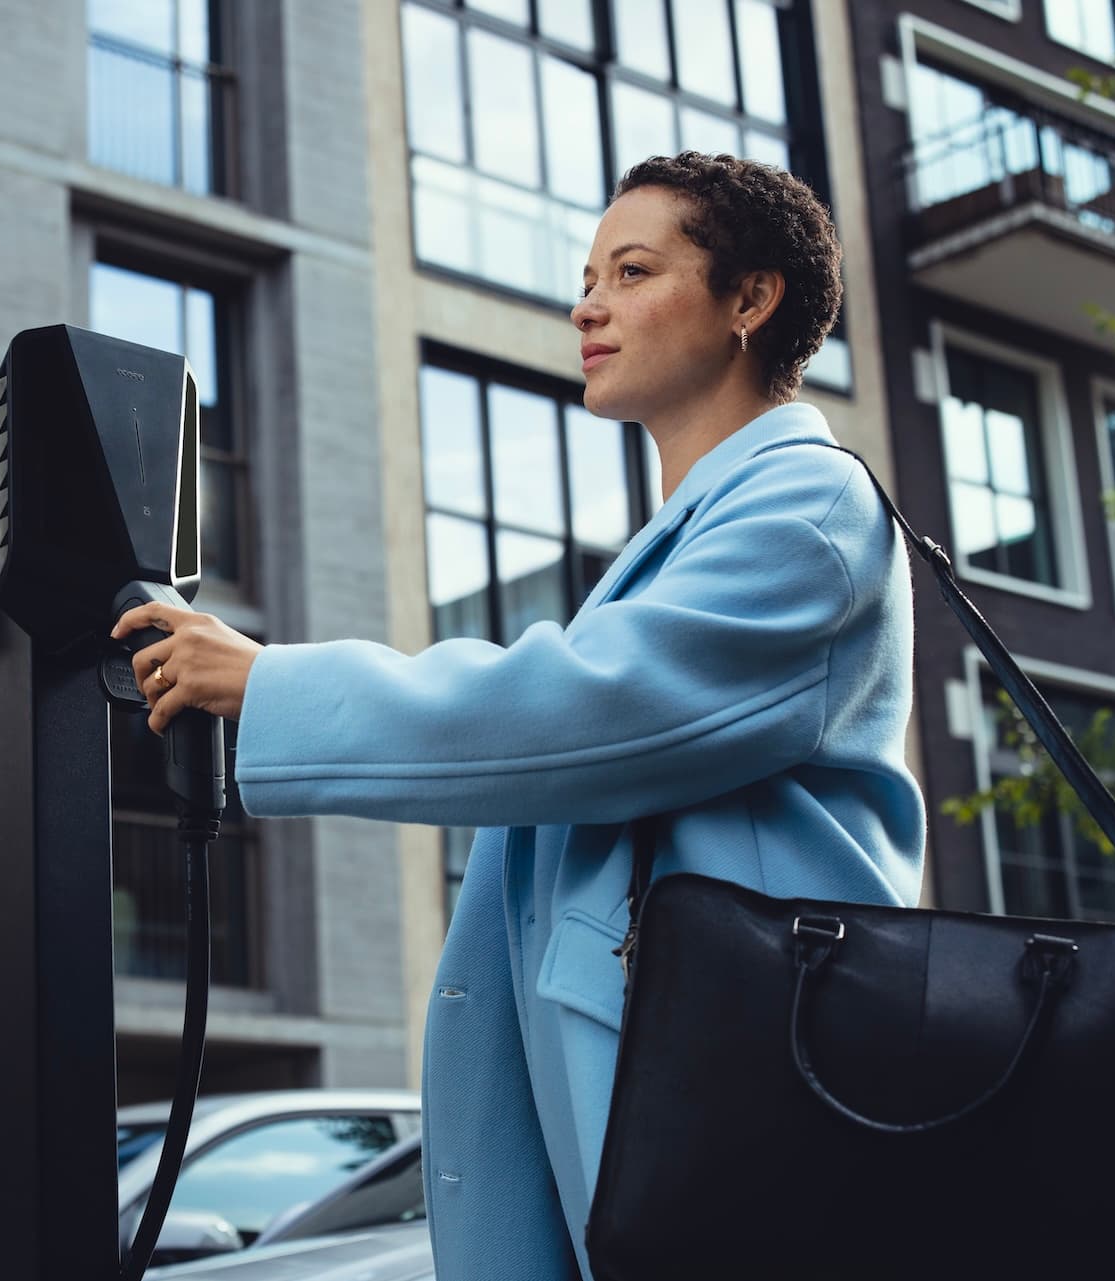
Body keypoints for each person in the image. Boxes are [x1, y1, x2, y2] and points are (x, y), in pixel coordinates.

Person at [112, 152, 926, 1281]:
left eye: (633, 271)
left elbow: (589, 710)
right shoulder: (687, 536)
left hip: (749, 1114)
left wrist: (275, 684)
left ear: (751, 300)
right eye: (587, 275)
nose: (588, 304)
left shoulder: (813, 507)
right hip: (679, 1109)